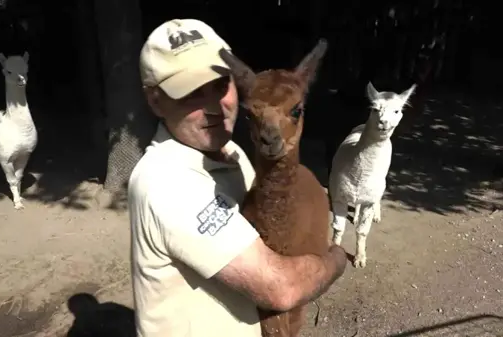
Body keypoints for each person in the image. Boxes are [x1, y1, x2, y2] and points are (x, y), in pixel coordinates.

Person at [128, 18, 348, 337]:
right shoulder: (166, 180)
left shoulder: (233, 155)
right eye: (190, 94)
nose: (214, 107)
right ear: (155, 101)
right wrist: (336, 260)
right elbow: (280, 287)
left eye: (220, 86)